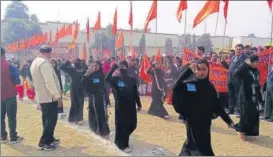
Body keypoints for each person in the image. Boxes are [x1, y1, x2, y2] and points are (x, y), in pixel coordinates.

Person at [172, 59, 234, 156]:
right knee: (194, 144)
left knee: (202, 144)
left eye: (204, 69)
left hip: (205, 121)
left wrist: (228, 120)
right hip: (192, 120)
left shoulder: (210, 87)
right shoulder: (189, 84)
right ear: (195, 70)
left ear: (208, 70)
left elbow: (217, 105)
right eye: (198, 69)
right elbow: (176, 87)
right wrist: (188, 70)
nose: (201, 72)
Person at [30, 45, 63, 151]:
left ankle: (50, 138)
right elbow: (49, 82)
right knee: (51, 120)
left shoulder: (35, 62)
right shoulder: (44, 63)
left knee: (46, 119)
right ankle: (44, 142)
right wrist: (57, 96)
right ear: (48, 53)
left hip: (42, 95)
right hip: (49, 97)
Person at [106, 60, 142, 153]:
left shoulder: (132, 79)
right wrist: (113, 67)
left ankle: (122, 139)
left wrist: (139, 104)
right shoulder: (115, 79)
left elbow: (135, 93)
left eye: (124, 66)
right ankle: (123, 144)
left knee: (132, 125)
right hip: (120, 106)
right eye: (120, 66)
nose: (122, 68)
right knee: (122, 125)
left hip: (131, 106)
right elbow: (107, 79)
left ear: (127, 67)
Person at [233, 55, 262, 141]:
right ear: (251, 62)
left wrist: (259, 97)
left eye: (257, 61)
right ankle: (241, 131)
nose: (257, 63)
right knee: (245, 114)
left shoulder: (257, 72)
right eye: (255, 61)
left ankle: (248, 131)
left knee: (252, 114)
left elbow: (257, 83)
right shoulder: (245, 70)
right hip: (245, 95)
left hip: (254, 96)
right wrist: (245, 64)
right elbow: (236, 73)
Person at [1, 47, 23, 144]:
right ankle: (13, 137)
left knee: (1, 117)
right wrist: (21, 94)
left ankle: (3, 137)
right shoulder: (10, 66)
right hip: (10, 95)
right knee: (11, 117)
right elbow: (17, 81)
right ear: (4, 55)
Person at [82, 61, 110, 138]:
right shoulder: (89, 74)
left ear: (100, 66)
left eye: (96, 65)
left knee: (100, 113)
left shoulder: (101, 74)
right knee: (91, 111)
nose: (94, 67)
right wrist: (87, 74)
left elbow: (102, 86)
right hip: (92, 96)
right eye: (93, 65)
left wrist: (106, 98)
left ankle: (103, 131)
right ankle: (93, 127)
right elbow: (83, 83)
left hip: (99, 96)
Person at [60, 59, 85, 124]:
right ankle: (72, 118)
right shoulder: (72, 70)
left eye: (78, 62)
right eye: (75, 62)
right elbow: (61, 67)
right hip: (74, 88)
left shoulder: (84, 69)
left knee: (80, 103)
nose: (77, 63)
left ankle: (79, 118)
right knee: (74, 103)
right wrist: (68, 62)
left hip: (81, 88)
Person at [228, 44, 246, 115]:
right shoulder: (233, 57)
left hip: (239, 79)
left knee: (238, 95)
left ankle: (238, 110)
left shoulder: (245, 58)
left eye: (240, 49)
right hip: (230, 79)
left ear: (242, 50)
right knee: (231, 95)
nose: (238, 50)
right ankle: (231, 109)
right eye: (237, 49)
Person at [264, 57, 273, 122]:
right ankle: (267, 115)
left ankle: (272, 117)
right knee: (268, 101)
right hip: (269, 84)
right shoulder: (271, 66)